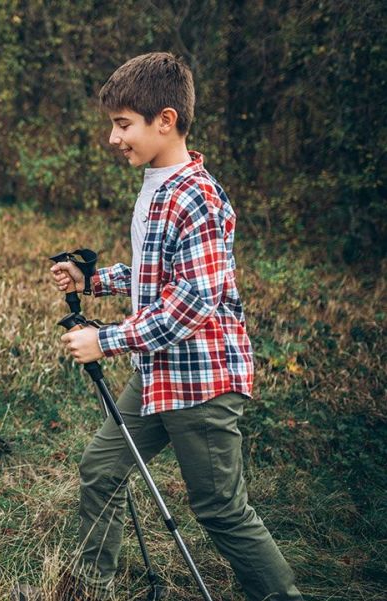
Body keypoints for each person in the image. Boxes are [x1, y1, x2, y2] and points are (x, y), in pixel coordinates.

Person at [18, 53, 304, 600]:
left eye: (123, 124)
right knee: (102, 468)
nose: (112, 137)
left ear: (165, 120)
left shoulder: (196, 195)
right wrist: (94, 278)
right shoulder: (158, 184)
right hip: (158, 375)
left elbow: (195, 299)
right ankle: (87, 589)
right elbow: (159, 274)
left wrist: (106, 339)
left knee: (220, 508)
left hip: (200, 384)